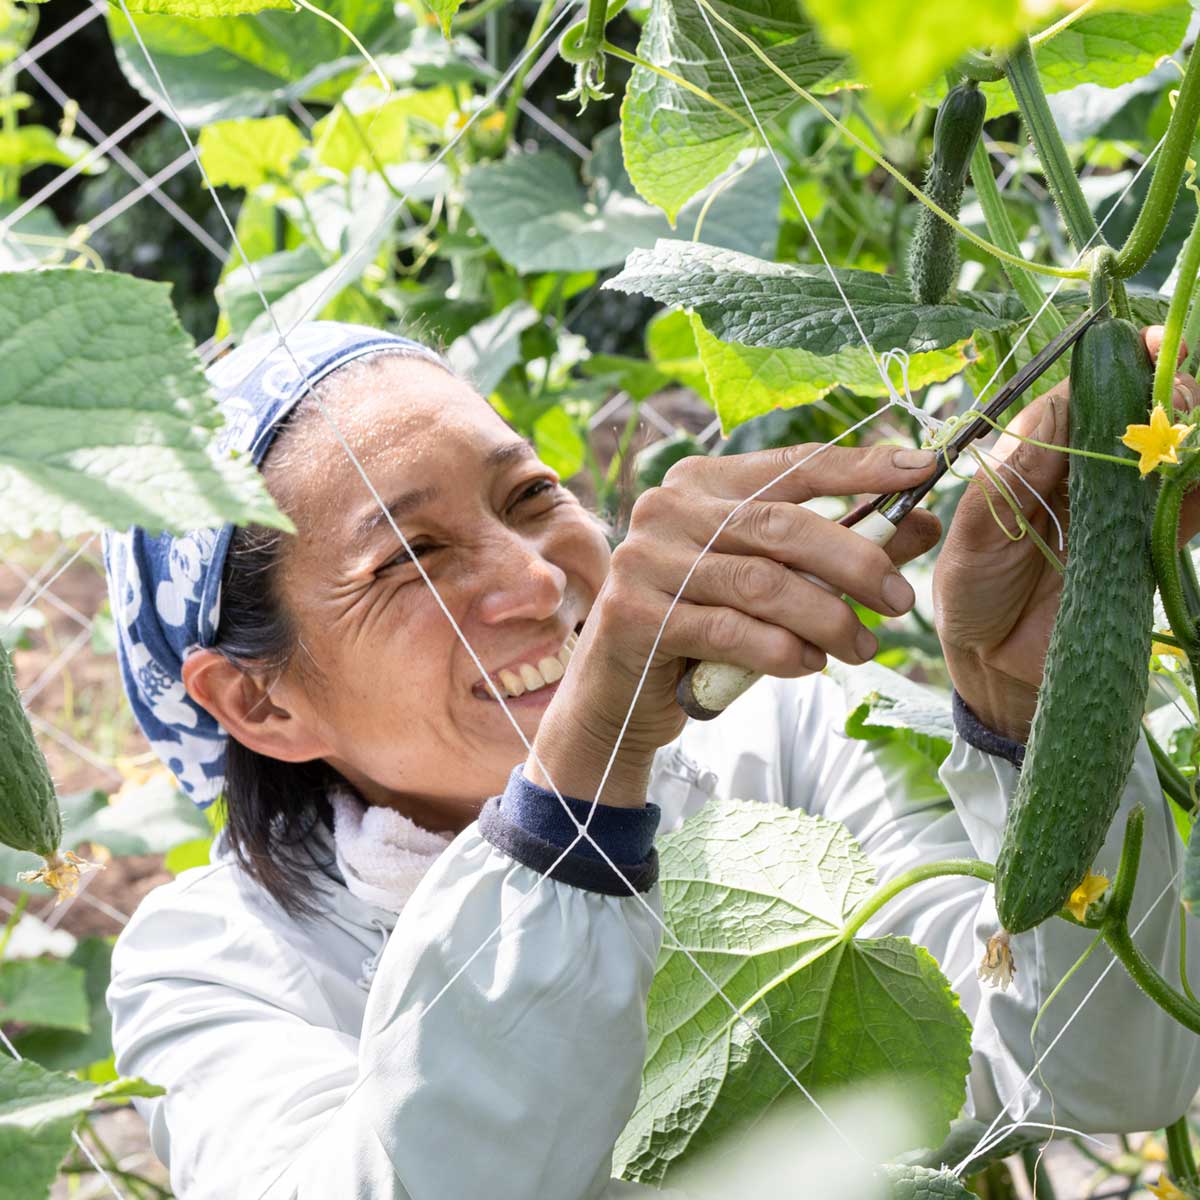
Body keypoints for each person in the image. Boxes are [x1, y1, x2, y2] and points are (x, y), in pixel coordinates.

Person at [103, 321, 1200, 1200]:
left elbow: (1096, 1081)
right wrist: (584, 771)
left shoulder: (793, 735)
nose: (537, 580)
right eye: (412, 558)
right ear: (258, 699)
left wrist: (1034, 714)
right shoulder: (211, 962)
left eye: (530, 495)